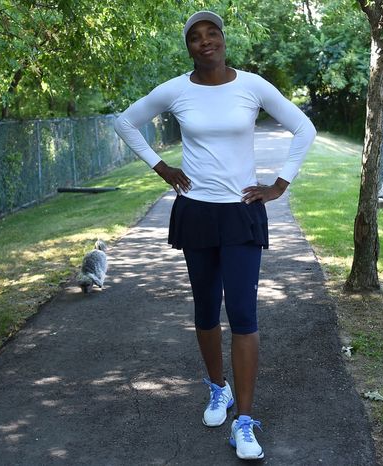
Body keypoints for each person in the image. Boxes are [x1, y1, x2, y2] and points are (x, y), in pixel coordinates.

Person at [114, 10, 316, 461]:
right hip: (197, 212)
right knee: (206, 310)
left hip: (242, 212)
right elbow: (124, 121)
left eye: (212, 34)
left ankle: (244, 421)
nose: (205, 42)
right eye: (195, 37)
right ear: (188, 46)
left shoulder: (252, 85)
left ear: (224, 40)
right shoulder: (176, 90)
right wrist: (162, 167)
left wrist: (281, 183)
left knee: (243, 313)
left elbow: (304, 127)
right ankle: (217, 389)